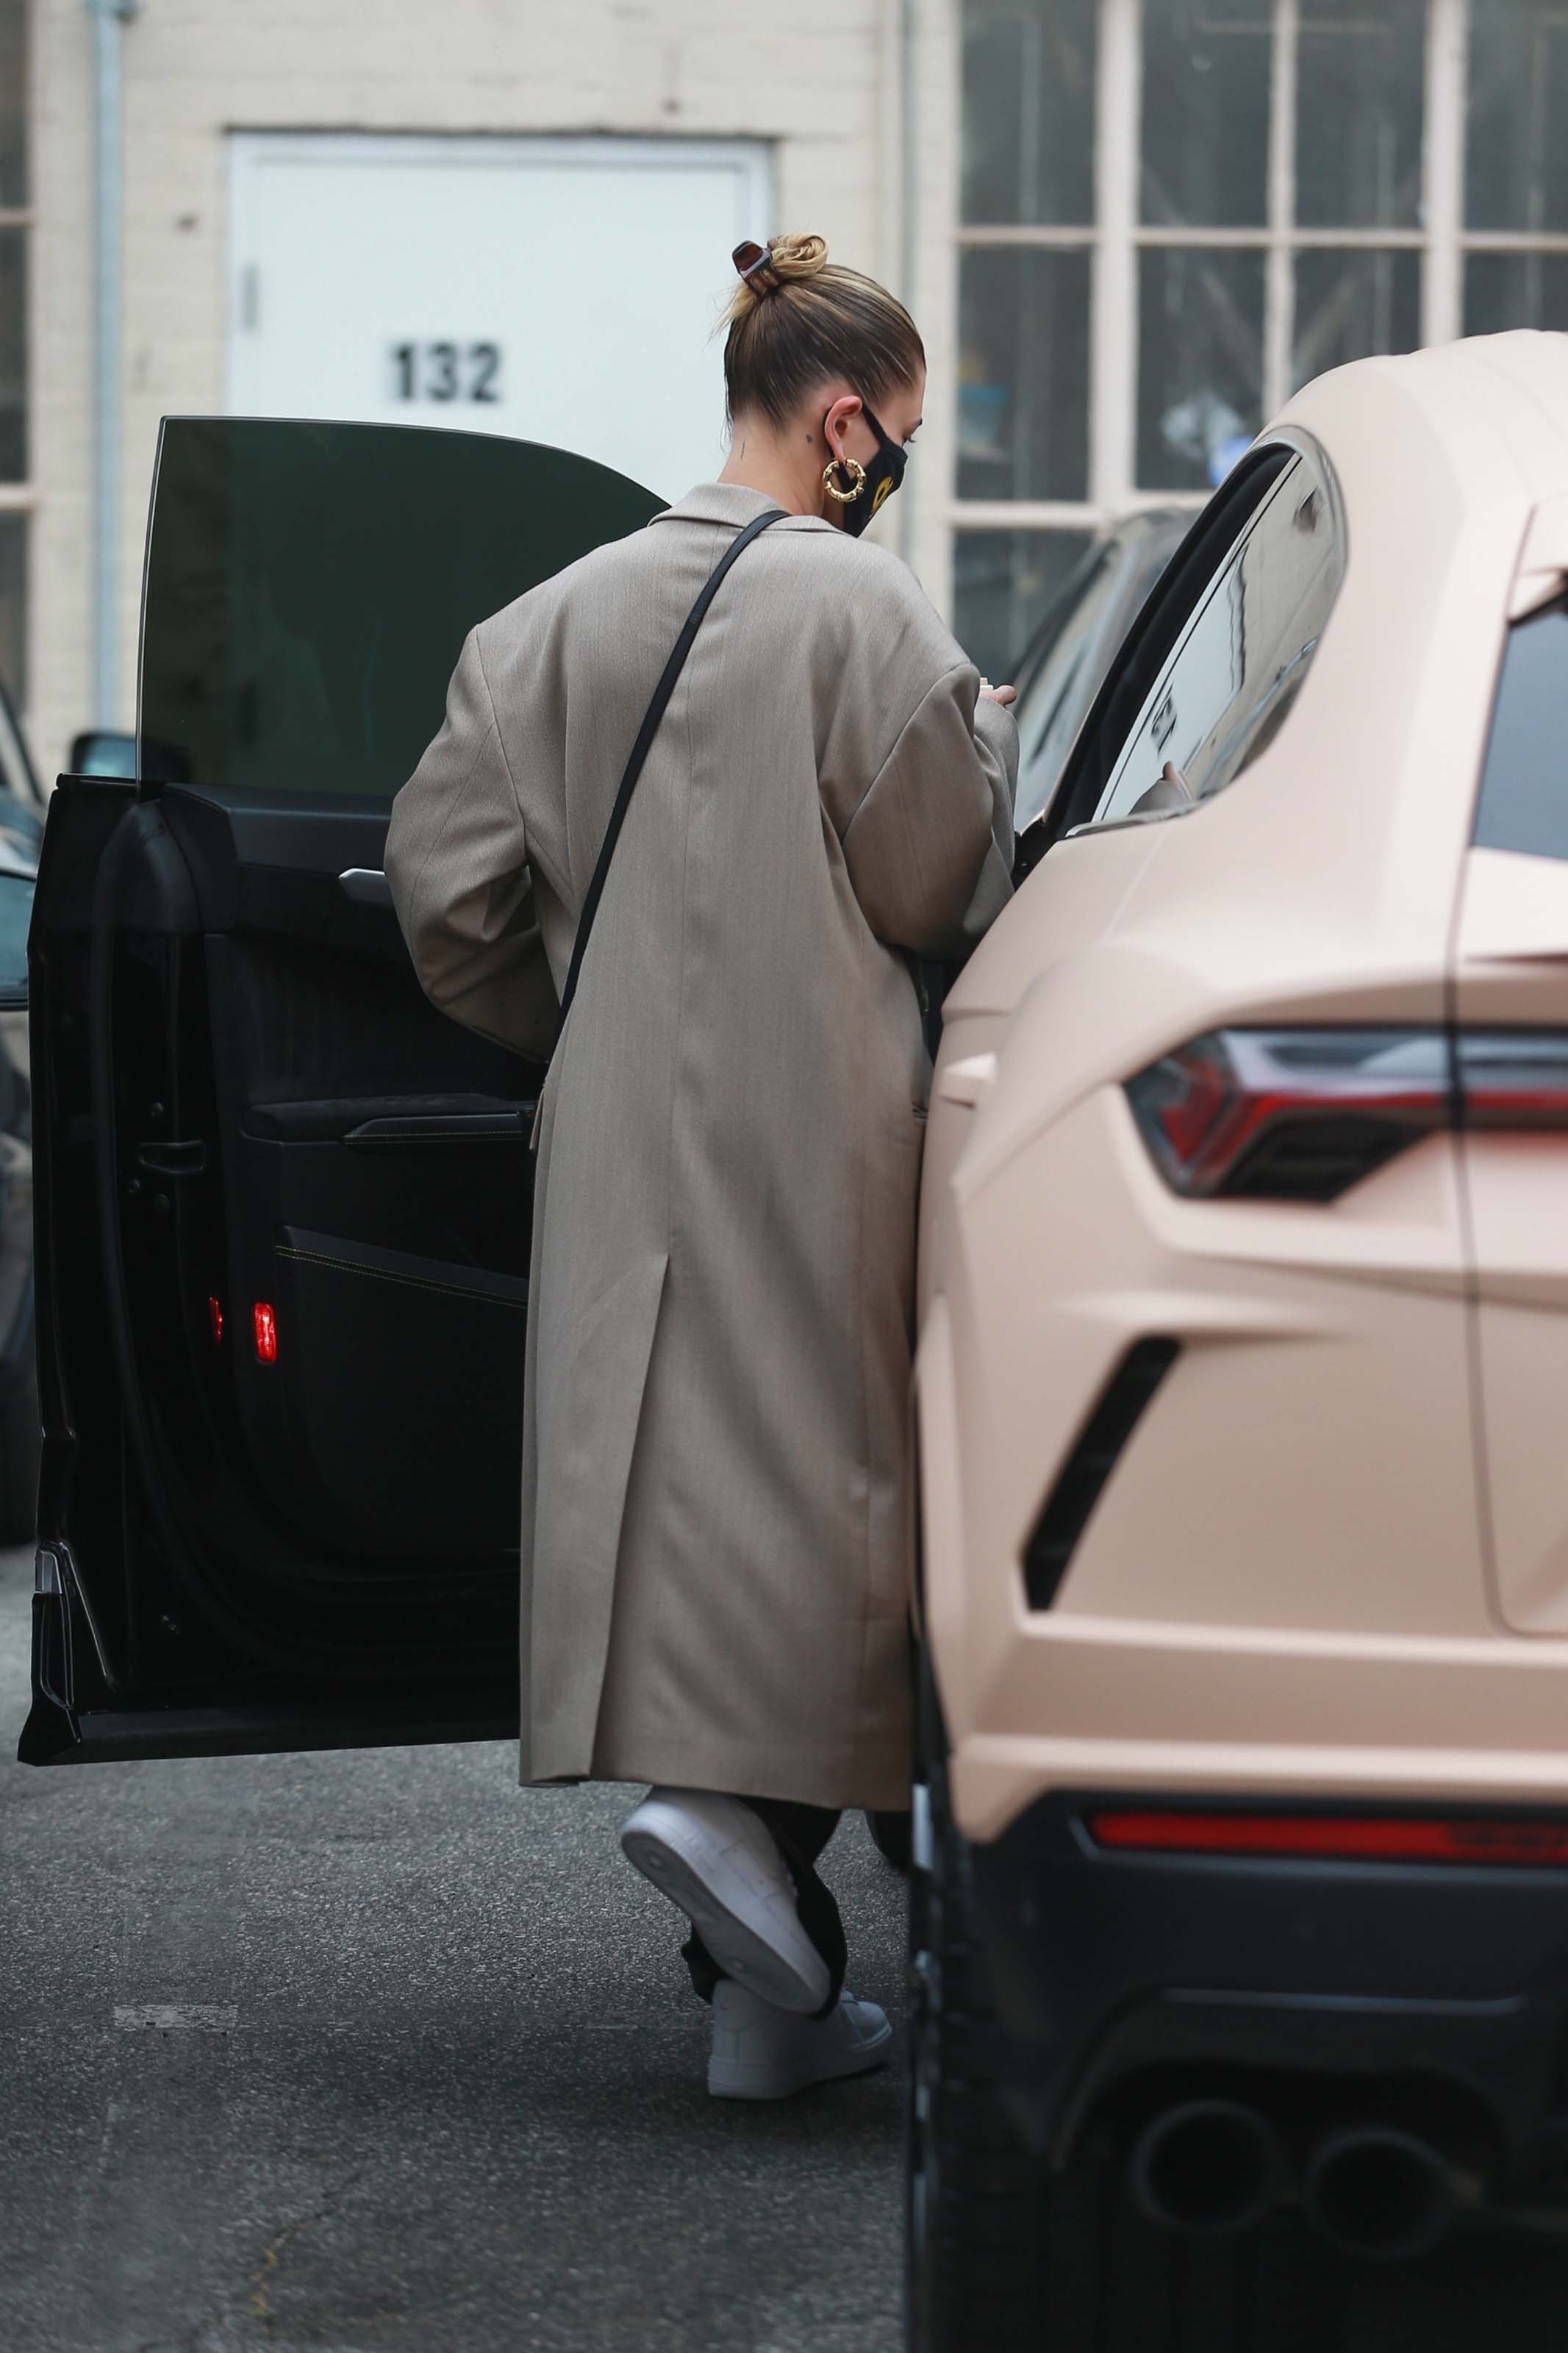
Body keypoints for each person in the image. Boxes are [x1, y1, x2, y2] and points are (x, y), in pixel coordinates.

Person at [385, 232, 1017, 2102]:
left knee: (663, 1484)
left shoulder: (538, 626)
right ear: (839, 424)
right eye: (890, 441)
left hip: (612, 1142)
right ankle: (736, 1833)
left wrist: (575, 1014)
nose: (887, 470)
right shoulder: (865, 614)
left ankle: (765, 1999)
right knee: (833, 1496)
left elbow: (446, 902)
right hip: (826, 1124)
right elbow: (931, 883)